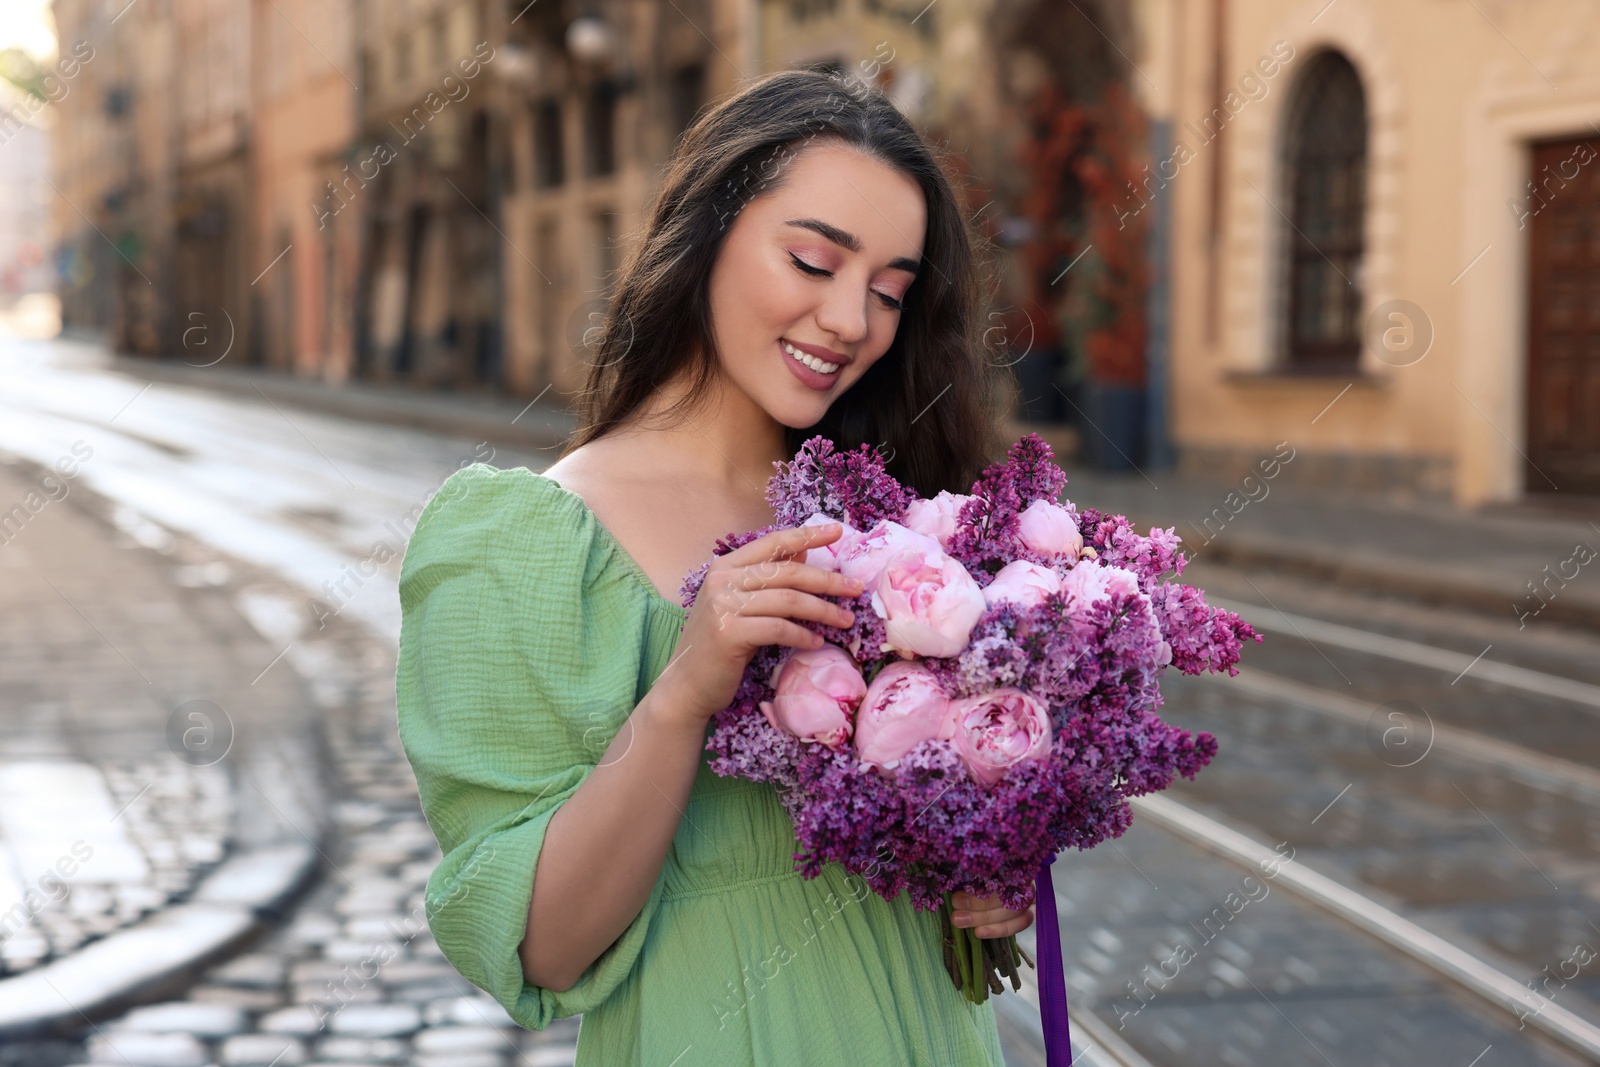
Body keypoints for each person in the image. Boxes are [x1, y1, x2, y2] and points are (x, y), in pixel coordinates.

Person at [396, 67, 1032, 1065]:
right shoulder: (516, 542)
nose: (850, 321)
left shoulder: (902, 522)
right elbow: (542, 945)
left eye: (889, 293)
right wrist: (681, 696)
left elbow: (950, 829)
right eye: (813, 260)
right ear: (706, 233)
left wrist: (985, 869)